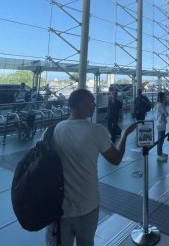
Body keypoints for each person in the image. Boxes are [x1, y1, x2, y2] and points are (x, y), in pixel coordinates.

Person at [45, 89, 137, 246]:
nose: (95, 105)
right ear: (83, 105)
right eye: (92, 102)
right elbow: (116, 159)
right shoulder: (96, 131)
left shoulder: (51, 131)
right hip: (87, 206)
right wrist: (124, 135)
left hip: (57, 209)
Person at [155, 91, 169, 161]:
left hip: (160, 123)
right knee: (160, 139)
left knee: (161, 139)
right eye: (164, 96)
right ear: (161, 97)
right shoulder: (160, 104)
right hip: (161, 123)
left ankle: (160, 152)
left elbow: (165, 114)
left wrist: (165, 114)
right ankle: (159, 154)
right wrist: (165, 114)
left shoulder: (159, 104)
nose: (165, 97)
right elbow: (166, 114)